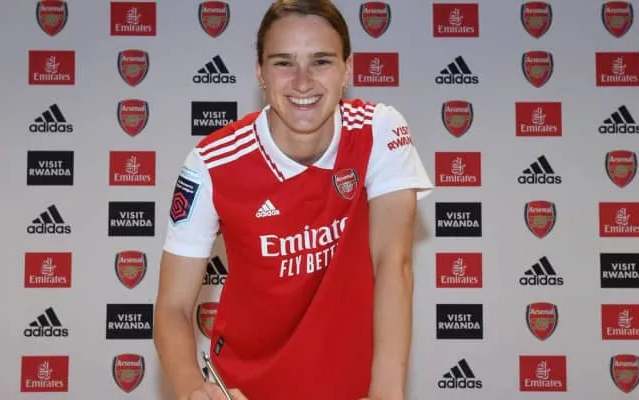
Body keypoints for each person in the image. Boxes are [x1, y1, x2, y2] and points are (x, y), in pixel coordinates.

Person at [153, 0, 433, 399]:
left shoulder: (378, 131)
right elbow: (174, 307)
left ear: (347, 69)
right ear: (260, 72)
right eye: (284, 63)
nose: (303, 82)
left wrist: (386, 394)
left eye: (321, 61)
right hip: (243, 390)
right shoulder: (212, 162)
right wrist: (191, 391)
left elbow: (394, 265)